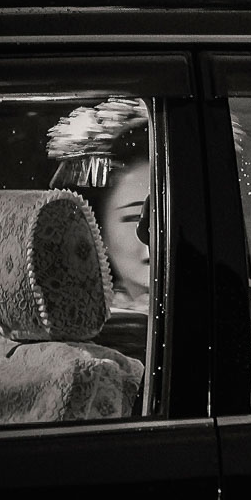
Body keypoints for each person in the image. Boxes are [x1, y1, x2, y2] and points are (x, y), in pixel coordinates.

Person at [49, 99, 150, 362]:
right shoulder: (79, 336)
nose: (152, 232)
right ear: (100, 232)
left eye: (166, 216)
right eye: (133, 217)